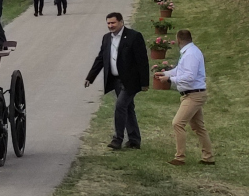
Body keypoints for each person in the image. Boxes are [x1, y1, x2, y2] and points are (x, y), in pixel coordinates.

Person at [84, 12, 149, 149]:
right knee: (128, 108)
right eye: (108, 23)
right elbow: (101, 58)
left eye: (113, 23)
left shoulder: (134, 37)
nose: (110, 26)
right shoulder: (107, 38)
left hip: (131, 81)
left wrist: (144, 83)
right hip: (116, 81)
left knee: (120, 106)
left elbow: (142, 61)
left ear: (121, 22)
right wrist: (90, 77)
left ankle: (117, 139)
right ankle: (134, 140)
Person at [155, 29, 213, 165]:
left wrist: (170, 80)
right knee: (198, 127)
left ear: (179, 39)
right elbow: (180, 70)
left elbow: (189, 77)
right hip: (192, 93)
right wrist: (166, 74)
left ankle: (179, 157)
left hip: (193, 95)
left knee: (178, 123)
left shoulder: (191, 54)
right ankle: (208, 157)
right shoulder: (189, 52)